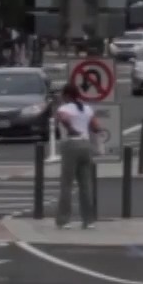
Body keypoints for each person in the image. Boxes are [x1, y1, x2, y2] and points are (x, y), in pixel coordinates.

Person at [52, 83, 105, 228]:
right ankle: (88, 220)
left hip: (71, 145)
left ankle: (64, 220)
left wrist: (71, 129)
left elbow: (63, 118)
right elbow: (96, 126)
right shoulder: (87, 108)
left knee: (67, 184)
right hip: (86, 145)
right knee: (85, 184)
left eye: (63, 95)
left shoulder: (64, 108)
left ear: (67, 95)